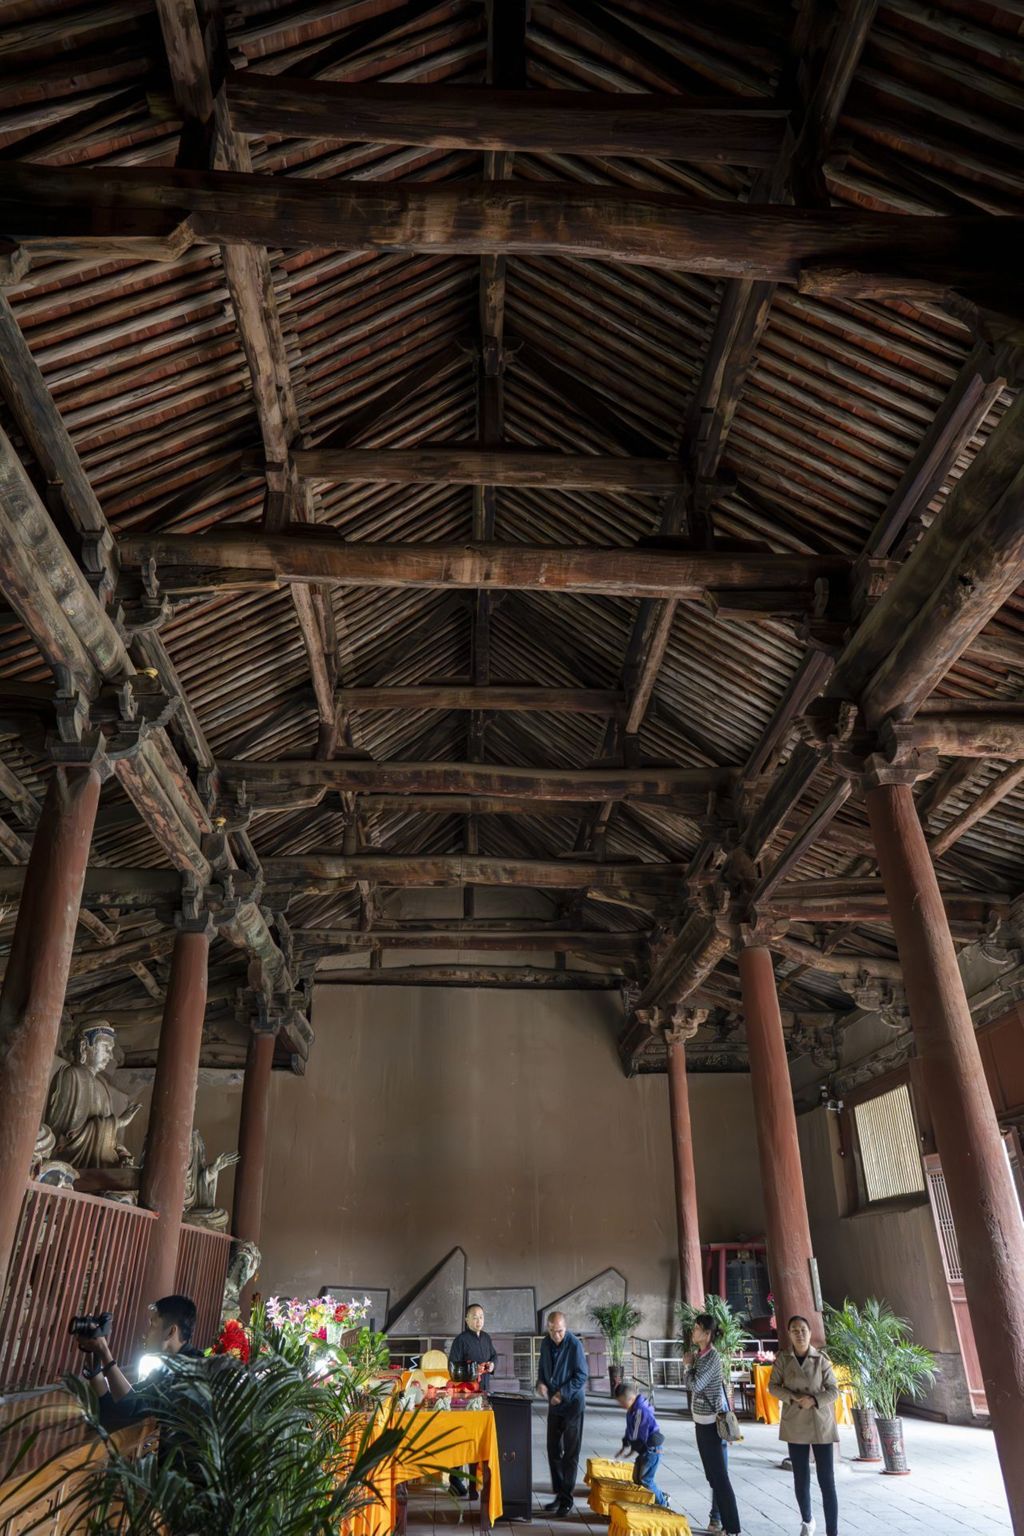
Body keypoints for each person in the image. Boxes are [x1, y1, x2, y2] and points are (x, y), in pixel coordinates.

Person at [76, 1294, 202, 1439]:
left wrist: (105, 1352)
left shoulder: (188, 1372)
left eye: (152, 1325)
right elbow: (116, 1408)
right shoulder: (167, 1368)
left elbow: (132, 1408)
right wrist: (93, 1355)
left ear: (171, 1331)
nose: (147, 1333)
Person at [768, 1315, 840, 1536]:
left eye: (803, 1330)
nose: (799, 1334)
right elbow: (773, 1386)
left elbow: (834, 1390)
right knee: (801, 1477)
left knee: (826, 1479)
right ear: (789, 1334)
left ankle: (832, 1530)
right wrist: (792, 1397)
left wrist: (815, 1400)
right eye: (795, 1330)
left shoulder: (821, 1360)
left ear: (810, 1333)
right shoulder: (783, 1360)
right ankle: (807, 1520)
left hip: (820, 1423)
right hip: (795, 1421)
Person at [683, 1314, 741, 1536]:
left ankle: (731, 1527)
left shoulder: (712, 1358)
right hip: (701, 1422)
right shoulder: (700, 1355)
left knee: (719, 1477)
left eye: (697, 1328)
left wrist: (688, 1367)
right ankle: (723, 1523)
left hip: (711, 1425)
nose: (693, 1331)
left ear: (707, 1334)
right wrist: (690, 1366)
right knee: (712, 1476)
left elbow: (695, 1385)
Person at [536, 1310, 588, 1516]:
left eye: (559, 1331)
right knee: (552, 1449)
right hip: (554, 1404)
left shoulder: (574, 1344)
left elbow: (582, 1375)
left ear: (565, 1328)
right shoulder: (546, 1343)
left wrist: (562, 1393)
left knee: (570, 1453)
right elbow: (542, 1369)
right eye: (552, 1331)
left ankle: (567, 1498)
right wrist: (540, 1384)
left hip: (573, 1404)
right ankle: (558, 1493)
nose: (556, 1336)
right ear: (548, 1328)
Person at [447, 1304, 497, 1497]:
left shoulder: (486, 1337)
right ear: (466, 1319)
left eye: (481, 1317)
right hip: (465, 1395)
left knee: (478, 1438)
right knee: (461, 1438)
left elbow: (493, 1356)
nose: (478, 1321)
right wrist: (473, 1369)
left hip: (483, 1392)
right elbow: (453, 1367)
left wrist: (492, 1365)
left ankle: (475, 1483)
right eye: (474, 1317)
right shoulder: (461, 1340)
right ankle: (455, 1479)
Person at [613, 1379, 669, 1509]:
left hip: (652, 1449)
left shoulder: (640, 1411)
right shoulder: (632, 1410)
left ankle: (663, 1503)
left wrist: (632, 1449)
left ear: (631, 1398)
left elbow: (639, 1434)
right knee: (637, 1478)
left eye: (622, 1402)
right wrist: (625, 1446)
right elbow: (630, 1430)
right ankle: (654, 1498)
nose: (622, 1405)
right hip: (645, 1448)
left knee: (645, 1479)